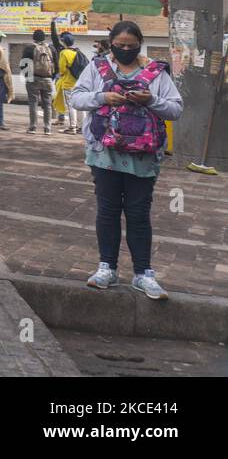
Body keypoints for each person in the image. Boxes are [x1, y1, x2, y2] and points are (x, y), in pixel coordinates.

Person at [68, 22, 183, 300]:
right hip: (104, 154)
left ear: (140, 44)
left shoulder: (157, 73)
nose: (126, 49)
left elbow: (175, 108)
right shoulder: (97, 68)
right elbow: (76, 98)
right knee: (107, 210)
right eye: (121, 45)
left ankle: (143, 273)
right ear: (111, 43)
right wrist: (103, 96)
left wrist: (151, 100)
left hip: (143, 157)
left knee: (138, 214)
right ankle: (106, 267)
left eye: (132, 45)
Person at [52, 23, 87, 134]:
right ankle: (82, 127)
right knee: (80, 106)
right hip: (80, 83)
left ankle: (72, 127)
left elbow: (62, 70)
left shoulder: (64, 53)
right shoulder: (78, 51)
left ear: (63, 42)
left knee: (71, 106)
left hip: (69, 83)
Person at [25, 28, 56, 134]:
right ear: (44, 38)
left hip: (33, 78)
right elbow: (56, 64)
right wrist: (51, 77)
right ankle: (48, 128)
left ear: (33, 38)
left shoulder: (29, 48)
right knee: (47, 104)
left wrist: (28, 78)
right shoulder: (51, 48)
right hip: (47, 79)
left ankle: (33, 127)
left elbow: (24, 64)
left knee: (33, 102)